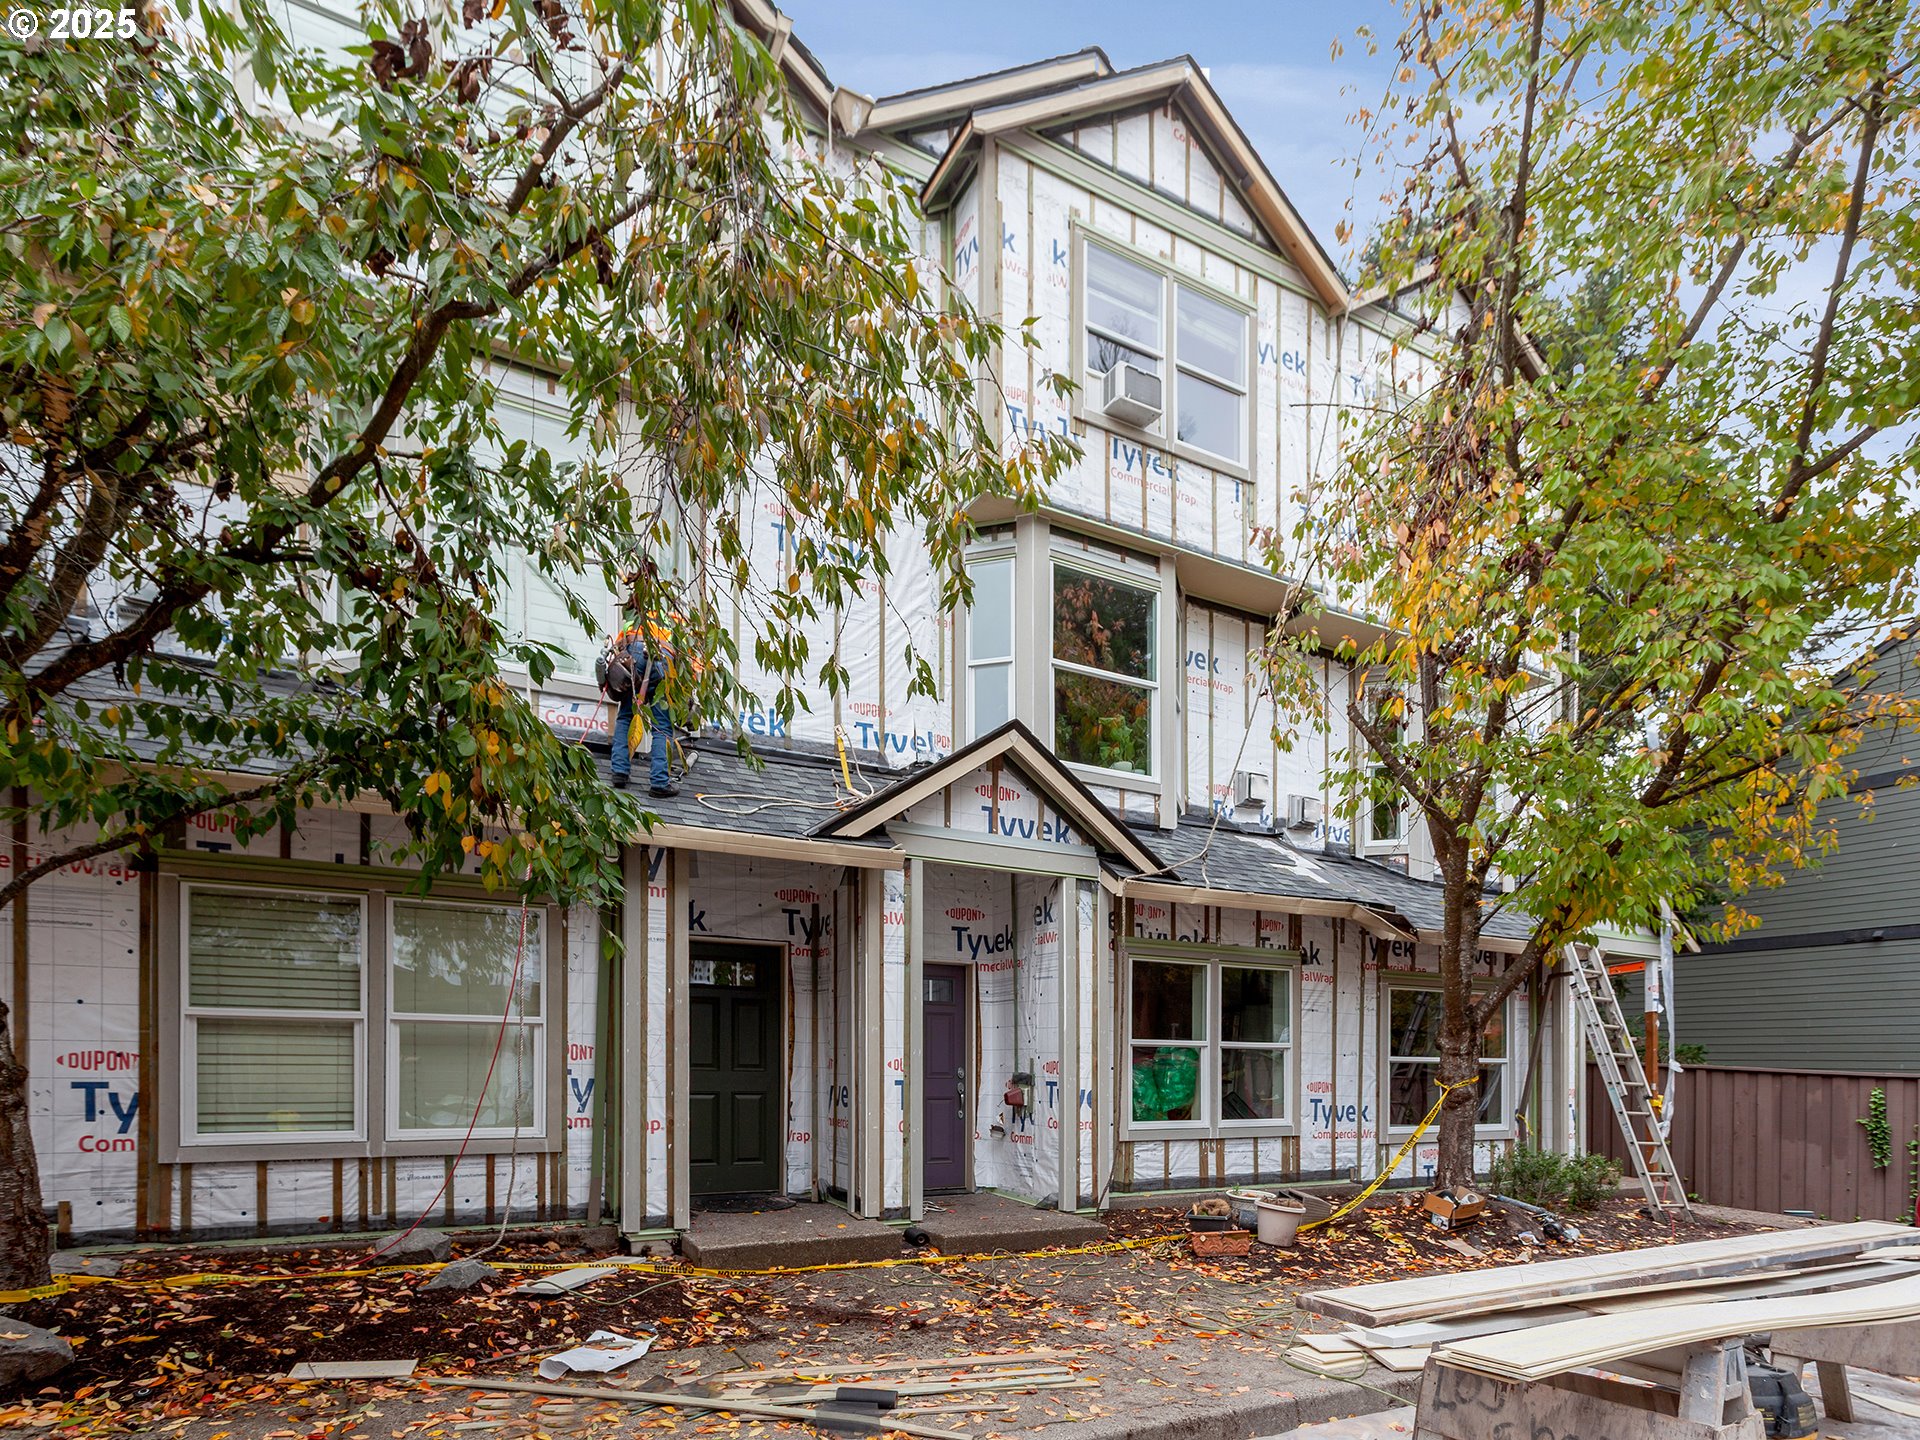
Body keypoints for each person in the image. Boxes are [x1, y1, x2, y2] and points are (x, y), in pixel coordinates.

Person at [605, 571, 678, 798]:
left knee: (626, 715)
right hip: (661, 663)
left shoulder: (631, 623)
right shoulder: (670, 619)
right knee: (661, 726)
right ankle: (659, 782)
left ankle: (619, 771)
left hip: (633, 662)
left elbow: (618, 652)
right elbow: (685, 657)